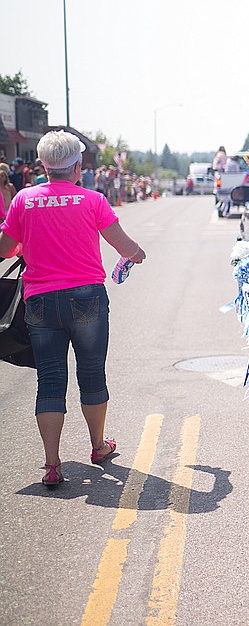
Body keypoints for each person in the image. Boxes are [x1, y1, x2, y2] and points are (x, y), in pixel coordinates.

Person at [0, 131, 147, 488]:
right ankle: (98, 446)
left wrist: (26, 247)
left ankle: (52, 464)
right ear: (78, 167)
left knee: (49, 380)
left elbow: (5, 249)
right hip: (86, 298)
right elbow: (123, 245)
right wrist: (136, 254)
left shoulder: (23, 200)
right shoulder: (93, 200)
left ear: (44, 166)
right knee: (92, 373)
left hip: (40, 300)